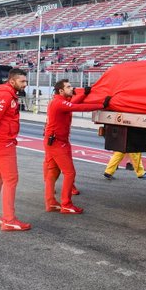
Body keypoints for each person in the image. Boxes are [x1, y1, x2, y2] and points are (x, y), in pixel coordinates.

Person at [44, 80, 111, 214]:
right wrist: (101, 105)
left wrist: (84, 94)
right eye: (68, 87)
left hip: (54, 141)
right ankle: (66, 204)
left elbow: (73, 103)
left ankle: (51, 202)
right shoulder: (59, 103)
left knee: (53, 173)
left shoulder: (59, 101)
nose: (72, 88)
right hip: (58, 143)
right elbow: (77, 107)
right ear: (61, 91)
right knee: (69, 173)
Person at [0, 68, 31, 232]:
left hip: (3, 141)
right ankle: (9, 220)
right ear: (12, 81)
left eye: (26, 81)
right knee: (11, 180)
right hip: (3, 142)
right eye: (22, 81)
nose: (25, 84)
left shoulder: (9, 94)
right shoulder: (5, 95)